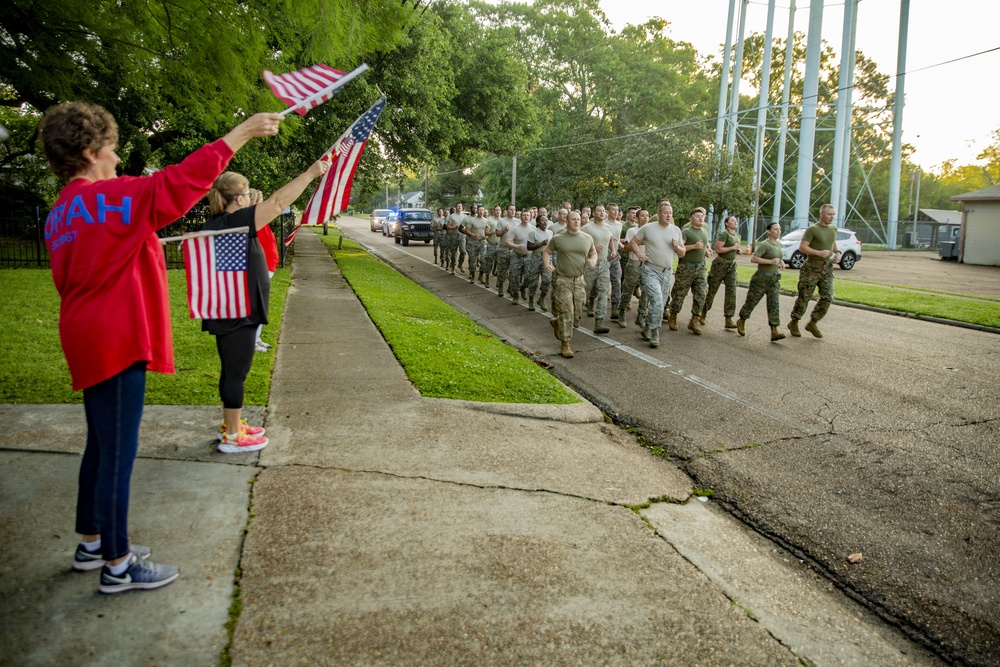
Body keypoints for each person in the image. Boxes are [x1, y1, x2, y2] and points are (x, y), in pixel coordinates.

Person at [38, 101, 282, 594]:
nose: (116, 155)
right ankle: (118, 564)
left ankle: (91, 543)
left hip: (83, 334)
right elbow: (176, 184)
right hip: (116, 338)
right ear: (90, 151)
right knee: (117, 455)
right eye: (110, 146)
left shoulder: (60, 212)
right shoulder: (107, 198)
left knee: (99, 445)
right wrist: (241, 134)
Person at [203, 159, 329, 455]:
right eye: (247, 195)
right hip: (237, 311)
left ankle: (231, 424)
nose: (250, 200)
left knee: (232, 370)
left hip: (235, 308)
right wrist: (310, 173)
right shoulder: (234, 220)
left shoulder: (226, 222)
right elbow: (278, 201)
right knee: (237, 372)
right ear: (240, 199)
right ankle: (233, 436)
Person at [629, 201, 685, 348]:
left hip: (667, 272)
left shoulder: (676, 230)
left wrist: (676, 246)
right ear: (659, 214)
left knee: (660, 302)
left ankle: (647, 327)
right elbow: (633, 241)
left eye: (670, 213)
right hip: (650, 270)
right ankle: (654, 332)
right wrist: (639, 254)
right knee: (658, 301)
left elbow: (682, 252)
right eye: (665, 213)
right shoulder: (648, 228)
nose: (668, 215)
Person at [544, 210, 598, 358]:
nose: (576, 221)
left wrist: (593, 260)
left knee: (577, 313)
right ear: (567, 222)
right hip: (563, 280)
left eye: (578, 219)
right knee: (567, 313)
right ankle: (565, 344)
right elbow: (547, 252)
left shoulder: (587, 238)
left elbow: (593, 252)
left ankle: (557, 322)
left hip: (579, 280)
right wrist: (547, 264)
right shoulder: (558, 238)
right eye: (573, 219)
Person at [788, 203, 840, 338]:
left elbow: (833, 242)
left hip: (827, 268)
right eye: (829, 214)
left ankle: (813, 322)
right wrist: (818, 252)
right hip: (811, 267)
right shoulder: (813, 229)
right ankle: (794, 321)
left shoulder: (834, 229)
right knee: (804, 297)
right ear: (821, 214)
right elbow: (803, 248)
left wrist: (838, 252)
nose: (832, 217)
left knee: (828, 296)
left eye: (833, 214)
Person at [737, 221, 786, 341]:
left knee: (774, 303)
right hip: (761, 278)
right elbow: (754, 258)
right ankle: (742, 320)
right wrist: (770, 262)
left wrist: (781, 261)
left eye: (779, 229)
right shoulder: (765, 244)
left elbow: (777, 257)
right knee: (752, 301)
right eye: (775, 229)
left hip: (774, 278)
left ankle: (774, 331)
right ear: (769, 231)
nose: (778, 231)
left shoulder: (779, 244)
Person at [667, 207, 712, 335]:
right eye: (697, 216)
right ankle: (673, 316)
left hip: (700, 267)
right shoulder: (686, 232)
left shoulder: (704, 230)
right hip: (686, 267)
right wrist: (694, 246)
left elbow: (705, 243)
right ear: (691, 219)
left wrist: (707, 250)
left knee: (702, 293)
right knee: (680, 293)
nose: (701, 218)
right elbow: (679, 248)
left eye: (702, 216)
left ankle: (694, 320)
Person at [249, 189, 279, 352]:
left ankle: (256, 338)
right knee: (256, 306)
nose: (263, 203)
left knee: (260, 305)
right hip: (260, 266)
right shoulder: (253, 217)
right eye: (260, 200)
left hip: (267, 265)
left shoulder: (258, 217)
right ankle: (251, 341)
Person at [701, 214, 741, 330]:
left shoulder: (737, 235)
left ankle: (728, 318)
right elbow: (719, 249)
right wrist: (732, 248)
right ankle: (703, 313)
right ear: (727, 223)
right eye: (732, 221)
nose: (735, 222)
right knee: (712, 289)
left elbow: (735, 248)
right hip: (720, 265)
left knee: (731, 291)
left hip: (731, 266)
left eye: (736, 221)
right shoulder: (724, 234)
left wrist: (737, 250)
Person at [580, 204, 616, 334]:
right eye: (598, 211)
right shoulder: (587, 228)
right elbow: (579, 242)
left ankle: (599, 322)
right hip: (590, 265)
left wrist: (613, 250)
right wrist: (593, 248)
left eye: (603, 211)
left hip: (604, 264)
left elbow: (610, 239)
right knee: (585, 292)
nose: (601, 213)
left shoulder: (608, 227)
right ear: (593, 214)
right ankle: (575, 315)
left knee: (603, 293)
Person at [616, 207, 649, 328]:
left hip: (647, 265)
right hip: (634, 263)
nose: (645, 218)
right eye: (642, 216)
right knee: (628, 290)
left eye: (647, 216)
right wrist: (639, 243)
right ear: (637, 218)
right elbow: (627, 247)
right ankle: (622, 311)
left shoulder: (651, 230)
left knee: (646, 291)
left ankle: (641, 315)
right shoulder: (632, 230)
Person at [524, 213, 553, 311]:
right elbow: (529, 247)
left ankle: (541, 299)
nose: (545, 222)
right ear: (537, 222)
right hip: (536, 257)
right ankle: (531, 300)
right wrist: (540, 244)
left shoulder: (550, 233)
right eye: (543, 220)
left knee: (547, 280)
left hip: (547, 258)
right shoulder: (533, 233)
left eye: (546, 220)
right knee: (534, 281)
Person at [505, 209, 534, 304]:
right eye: (524, 215)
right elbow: (508, 241)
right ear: (521, 217)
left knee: (529, 277)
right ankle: (516, 295)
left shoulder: (533, 229)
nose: (526, 217)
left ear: (530, 217)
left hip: (529, 257)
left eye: (527, 215)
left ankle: (523, 287)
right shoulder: (515, 229)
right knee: (514, 276)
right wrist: (516, 246)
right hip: (517, 256)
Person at [464, 205, 490, 283]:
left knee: (483, 260)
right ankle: (472, 275)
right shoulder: (472, 220)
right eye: (479, 210)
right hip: (473, 242)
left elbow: (488, 232)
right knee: (473, 261)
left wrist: (486, 236)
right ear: (477, 211)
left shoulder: (486, 221)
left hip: (483, 242)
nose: (481, 212)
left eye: (482, 210)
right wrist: (473, 234)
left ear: (484, 211)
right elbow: (467, 230)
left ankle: (481, 276)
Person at [482, 205, 503, 288]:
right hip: (491, 244)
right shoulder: (490, 221)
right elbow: (486, 233)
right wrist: (494, 232)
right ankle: (487, 279)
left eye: (499, 210)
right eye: (496, 210)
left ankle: (498, 281)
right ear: (493, 211)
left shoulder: (503, 221)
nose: (498, 211)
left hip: (500, 245)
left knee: (500, 264)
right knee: (489, 262)